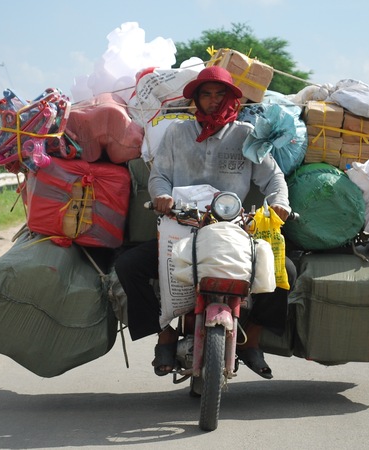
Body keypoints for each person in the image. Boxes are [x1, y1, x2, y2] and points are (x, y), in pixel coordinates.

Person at [114, 65, 292, 379]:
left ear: (231, 99)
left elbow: (274, 178)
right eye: (206, 94)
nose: (213, 100)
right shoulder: (177, 132)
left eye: (219, 94)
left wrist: (280, 203)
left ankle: (253, 338)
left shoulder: (246, 135)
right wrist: (161, 196)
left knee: (283, 269)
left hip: (233, 231)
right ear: (196, 99)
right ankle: (165, 334)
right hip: (183, 228)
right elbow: (160, 176)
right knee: (129, 265)